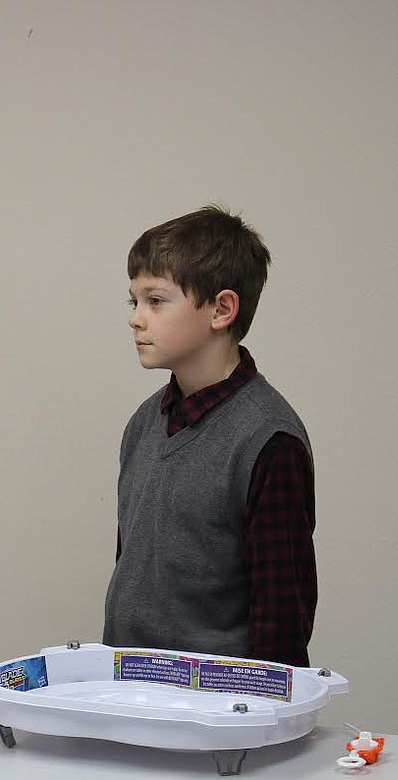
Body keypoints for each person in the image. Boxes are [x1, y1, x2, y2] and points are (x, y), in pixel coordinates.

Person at [102, 205, 316, 667]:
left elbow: (281, 620)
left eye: (155, 301)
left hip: (215, 717)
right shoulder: (143, 423)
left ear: (221, 309)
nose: (136, 318)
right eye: (133, 302)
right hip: (129, 695)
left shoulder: (269, 441)